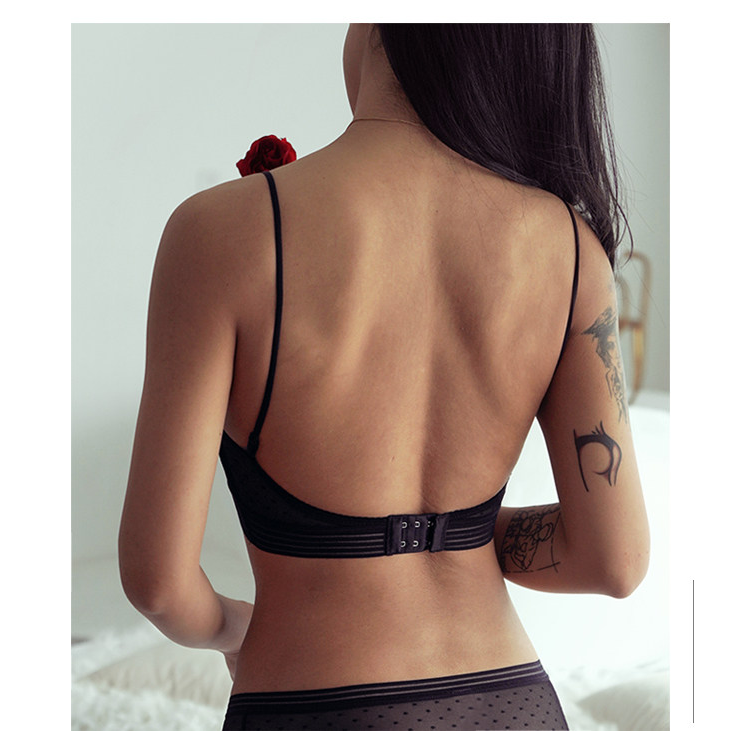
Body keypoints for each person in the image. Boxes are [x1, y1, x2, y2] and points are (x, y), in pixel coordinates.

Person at [118, 23, 650, 731]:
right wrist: (458, 535)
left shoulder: (220, 231)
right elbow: (614, 560)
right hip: (513, 703)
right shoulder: (571, 247)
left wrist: (230, 628)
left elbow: (158, 582)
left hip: (313, 703)